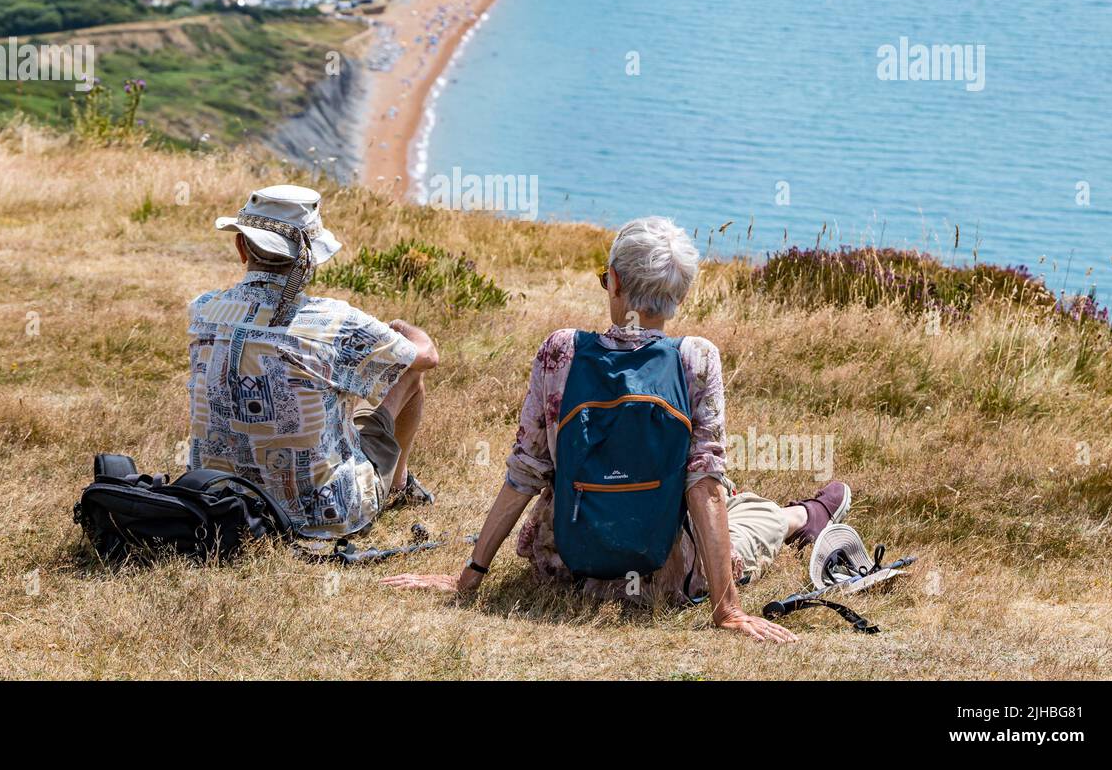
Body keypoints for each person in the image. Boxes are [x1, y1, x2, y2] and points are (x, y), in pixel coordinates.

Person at [383, 216, 850, 643]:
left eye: (606, 279)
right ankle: (801, 517)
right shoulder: (697, 358)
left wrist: (470, 574)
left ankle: (789, 514)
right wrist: (727, 610)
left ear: (617, 283)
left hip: (565, 563)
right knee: (745, 513)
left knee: (730, 499)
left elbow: (525, 469)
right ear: (679, 296)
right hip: (663, 574)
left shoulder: (560, 351)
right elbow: (702, 484)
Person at [187, 184, 438, 539]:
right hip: (322, 513)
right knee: (411, 374)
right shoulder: (336, 320)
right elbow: (427, 357)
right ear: (311, 257)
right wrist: (404, 330)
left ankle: (394, 478)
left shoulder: (202, 309)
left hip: (217, 498)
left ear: (241, 246)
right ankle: (397, 483)